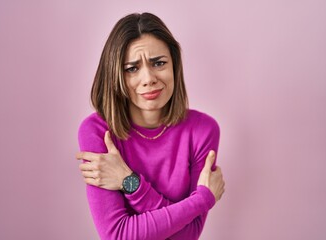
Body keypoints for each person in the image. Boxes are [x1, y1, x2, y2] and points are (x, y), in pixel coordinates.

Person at [76, 12, 225, 240]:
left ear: (174, 66)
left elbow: (189, 235)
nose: (148, 78)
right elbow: (118, 235)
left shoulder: (202, 130)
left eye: (159, 63)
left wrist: (128, 182)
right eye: (132, 68)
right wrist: (202, 200)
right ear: (115, 74)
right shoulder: (97, 132)